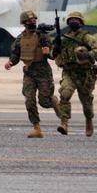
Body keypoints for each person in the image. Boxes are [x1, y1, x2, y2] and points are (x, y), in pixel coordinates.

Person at [4, 10, 62, 138]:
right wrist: (10, 63)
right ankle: (37, 128)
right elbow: (16, 54)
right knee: (29, 100)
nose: (33, 22)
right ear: (24, 23)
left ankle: (54, 102)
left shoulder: (43, 36)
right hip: (29, 72)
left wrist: (48, 53)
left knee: (44, 102)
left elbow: (53, 55)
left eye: (34, 20)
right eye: (30, 21)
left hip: (43, 72)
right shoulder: (20, 38)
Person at [54, 11, 97, 137]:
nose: (73, 22)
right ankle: (64, 123)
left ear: (81, 23)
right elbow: (54, 56)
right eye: (71, 20)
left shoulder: (86, 37)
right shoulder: (63, 39)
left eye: (76, 20)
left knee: (86, 103)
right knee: (64, 95)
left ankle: (89, 121)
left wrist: (88, 54)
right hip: (69, 73)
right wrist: (55, 48)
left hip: (85, 74)